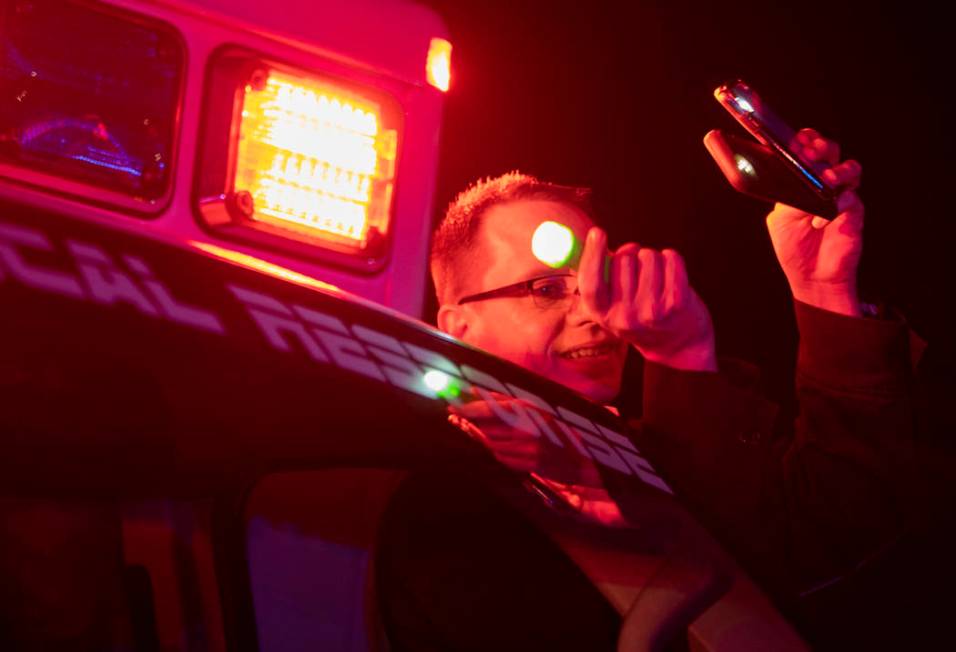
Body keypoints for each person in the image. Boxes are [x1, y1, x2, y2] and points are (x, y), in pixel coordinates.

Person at [375, 129, 927, 650]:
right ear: (457, 328)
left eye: (599, 278)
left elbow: (832, 538)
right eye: (546, 288)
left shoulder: (649, 449)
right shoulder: (436, 494)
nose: (595, 310)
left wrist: (821, 286)